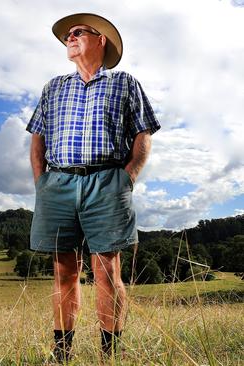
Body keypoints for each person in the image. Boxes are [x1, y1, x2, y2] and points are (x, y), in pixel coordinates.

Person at [26, 13, 160, 361]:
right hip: (58, 182)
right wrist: (41, 182)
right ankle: (62, 355)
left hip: (107, 182)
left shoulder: (125, 83)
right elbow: (37, 137)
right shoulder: (53, 87)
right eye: (67, 35)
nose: (70, 37)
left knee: (107, 270)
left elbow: (143, 133)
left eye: (78, 32)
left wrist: (127, 176)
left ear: (100, 40)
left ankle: (108, 355)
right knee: (64, 271)